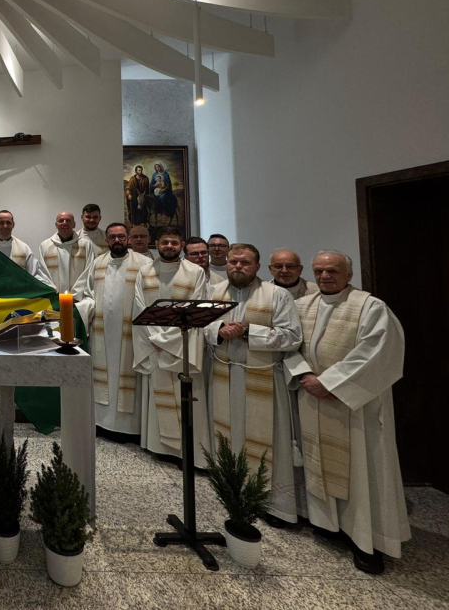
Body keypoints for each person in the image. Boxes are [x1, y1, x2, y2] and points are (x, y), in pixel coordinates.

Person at [285, 251, 410, 574]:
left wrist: (329, 383)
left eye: (332, 270)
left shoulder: (371, 307)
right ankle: (328, 524)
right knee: (317, 459)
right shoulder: (302, 306)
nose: (325, 276)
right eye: (319, 271)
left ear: (349, 275)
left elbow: (377, 353)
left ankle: (367, 540)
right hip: (312, 397)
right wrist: (304, 375)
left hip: (354, 406)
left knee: (362, 470)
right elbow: (289, 346)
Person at [202, 244, 303, 526]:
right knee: (228, 436)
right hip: (224, 375)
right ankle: (232, 494)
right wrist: (219, 330)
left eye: (245, 263)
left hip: (263, 378)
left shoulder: (277, 295)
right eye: (233, 261)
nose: (238, 267)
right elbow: (203, 326)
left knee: (269, 441)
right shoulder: (214, 292)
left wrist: (248, 331)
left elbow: (292, 337)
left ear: (257, 267)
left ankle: (275, 505)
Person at [132, 226, 210, 462]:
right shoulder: (145, 271)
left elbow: (198, 307)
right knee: (159, 395)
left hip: (182, 345)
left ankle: (187, 452)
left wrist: (166, 340)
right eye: (165, 242)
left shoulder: (195, 272)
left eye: (174, 243)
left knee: (186, 396)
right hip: (155, 344)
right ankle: (159, 447)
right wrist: (157, 338)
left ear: (182, 245)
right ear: (157, 244)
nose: (169, 246)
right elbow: (139, 306)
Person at [73, 222, 152, 442]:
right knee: (104, 378)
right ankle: (103, 424)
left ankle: (130, 428)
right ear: (106, 240)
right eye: (112, 237)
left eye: (121, 236)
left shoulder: (144, 264)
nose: (117, 240)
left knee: (129, 377)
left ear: (128, 239)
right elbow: (86, 294)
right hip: (103, 333)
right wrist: (80, 309)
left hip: (133, 334)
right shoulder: (98, 263)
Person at [0, 210, 52, 286]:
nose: (5, 226)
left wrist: (49, 287)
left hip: (18, 291)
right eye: (1, 223)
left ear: (13, 225)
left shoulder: (24, 248)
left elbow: (34, 274)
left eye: (8, 223)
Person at [39, 211, 95, 293]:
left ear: (74, 224)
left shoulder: (85, 245)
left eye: (68, 220)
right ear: (56, 225)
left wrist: (76, 293)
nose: (64, 223)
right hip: (54, 295)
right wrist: (52, 290)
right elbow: (42, 272)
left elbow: (89, 271)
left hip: (79, 297)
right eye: (61, 220)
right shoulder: (45, 245)